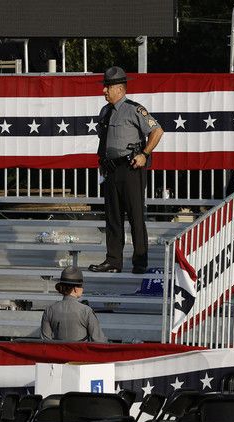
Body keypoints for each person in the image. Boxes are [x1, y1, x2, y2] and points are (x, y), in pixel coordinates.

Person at [89, 66, 164, 274]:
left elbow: (157, 130)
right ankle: (113, 260)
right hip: (111, 169)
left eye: (108, 87)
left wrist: (145, 154)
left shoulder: (134, 109)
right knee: (113, 216)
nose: (104, 90)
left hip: (131, 168)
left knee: (135, 215)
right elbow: (104, 140)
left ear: (120, 89)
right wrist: (102, 161)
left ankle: (140, 261)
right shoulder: (105, 111)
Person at [41, 266, 107, 342]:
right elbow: (99, 341)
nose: (83, 288)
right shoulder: (86, 311)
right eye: (81, 285)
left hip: (58, 353)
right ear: (76, 288)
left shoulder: (49, 310)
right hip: (80, 353)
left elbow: (45, 342)